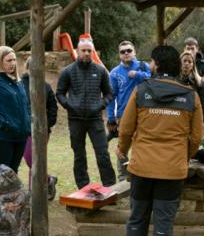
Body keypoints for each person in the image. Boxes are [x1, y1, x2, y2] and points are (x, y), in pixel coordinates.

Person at [117, 45, 204, 236]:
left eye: (151, 62)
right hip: (171, 170)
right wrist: (182, 156)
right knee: (163, 223)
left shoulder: (141, 91)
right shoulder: (190, 96)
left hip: (142, 168)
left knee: (136, 219)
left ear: (156, 64)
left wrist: (123, 148)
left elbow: (125, 128)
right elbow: (197, 136)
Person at [56, 35, 116, 189]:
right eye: (84, 50)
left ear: (92, 51)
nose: (87, 53)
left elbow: (110, 94)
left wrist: (100, 105)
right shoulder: (67, 71)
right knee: (79, 154)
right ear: (77, 51)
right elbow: (60, 93)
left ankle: (110, 186)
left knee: (102, 153)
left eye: (89, 50)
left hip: (95, 119)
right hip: (75, 119)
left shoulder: (101, 71)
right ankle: (83, 186)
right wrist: (70, 105)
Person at [106, 41, 151, 182]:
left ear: (134, 52)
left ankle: (142, 174)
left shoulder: (144, 67)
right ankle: (123, 176)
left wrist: (137, 74)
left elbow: (153, 80)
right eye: (122, 51)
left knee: (144, 144)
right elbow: (111, 97)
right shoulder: (114, 73)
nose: (126, 53)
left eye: (129, 50)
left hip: (145, 113)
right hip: (123, 115)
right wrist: (110, 117)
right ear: (119, 55)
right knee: (123, 146)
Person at [21, 57, 58, 200]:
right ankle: (48, 179)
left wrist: (48, 124)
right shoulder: (20, 84)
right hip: (24, 129)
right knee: (31, 159)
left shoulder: (46, 86)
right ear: (28, 67)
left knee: (36, 159)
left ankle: (33, 191)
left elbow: (53, 107)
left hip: (42, 130)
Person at [184, 37, 204, 133]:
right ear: (184, 49)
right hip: (185, 106)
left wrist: (198, 78)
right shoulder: (181, 64)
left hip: (202, 105)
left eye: (192, 48)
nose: (190, 51)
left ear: (197, 49)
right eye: (188, 48)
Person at [178, 51, 204, 130]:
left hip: (193, 115)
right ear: (180, 63)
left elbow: (203, 102)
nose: (187, 63)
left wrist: (203, 119)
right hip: (178, 116)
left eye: (189, 62)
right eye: (184, 61)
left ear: (193, 65)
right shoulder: (174, 80)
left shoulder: (198, 82)